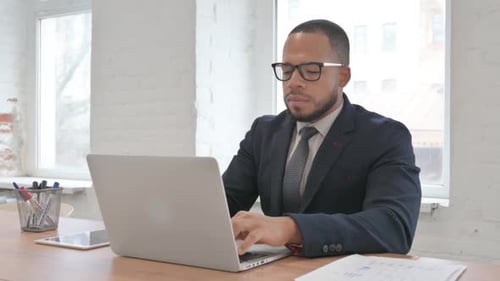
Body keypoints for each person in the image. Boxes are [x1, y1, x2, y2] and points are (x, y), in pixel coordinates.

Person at [223, 19, 421, 258]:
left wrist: (292, 228)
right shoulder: (263, 132)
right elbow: (223, 204)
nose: (293, 82)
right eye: (287, 70)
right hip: (276, 271)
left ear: (343, 76)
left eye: (311, 70)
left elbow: (393, 227)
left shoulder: (384, 137)